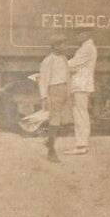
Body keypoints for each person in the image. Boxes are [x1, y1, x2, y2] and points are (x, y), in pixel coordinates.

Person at [38, 33, 72, 163]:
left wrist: (69, 93)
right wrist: (44, 97)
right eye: (63, 44)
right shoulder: (48, 61)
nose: (66, 47)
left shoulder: (63, 58)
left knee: (63, 121)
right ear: (56, 46)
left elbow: (67, 77)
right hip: (54, 90)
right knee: (54, 121)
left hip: (64, 90)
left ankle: (49, 142)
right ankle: (51, 152)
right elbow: (43, 81)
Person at [66, 25, 98, 155]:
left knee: (80, 114)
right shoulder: (86, 48)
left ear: (85, 34)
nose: (76, 36)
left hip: (81, 84)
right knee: (80, 113)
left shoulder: (87, 48)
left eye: (78, 33)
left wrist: (57, 65)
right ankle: (81, 144)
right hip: (80, 84)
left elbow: (71, 64)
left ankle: (82, 145)